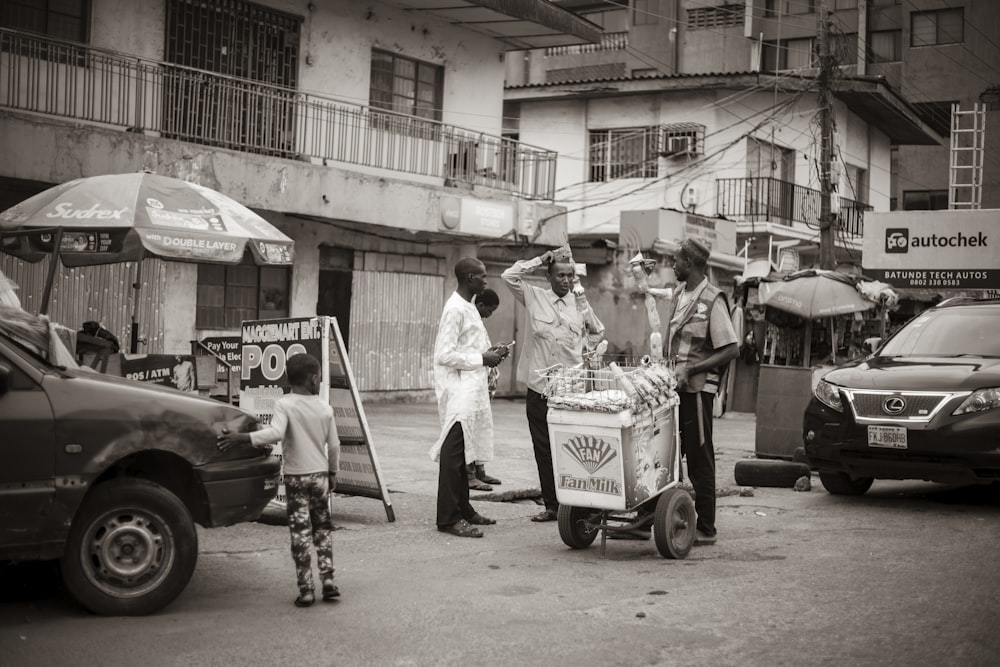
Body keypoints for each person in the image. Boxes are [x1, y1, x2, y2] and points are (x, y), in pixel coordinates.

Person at [217, 352, 340, 607]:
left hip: (296, 479)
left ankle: (306, 590)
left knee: (300, 533)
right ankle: (328, 579)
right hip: (320, 477)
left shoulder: (285, 404)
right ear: (314, 379)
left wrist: (241, 438)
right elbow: (335, 446)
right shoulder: (325, 408)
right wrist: (333, 473)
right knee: (322, 529)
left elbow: (274, 434)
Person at [502, 247, 605, 522]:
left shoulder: (580, 304)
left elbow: (598, 332)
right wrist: (539, 260)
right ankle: (552, 505)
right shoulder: (534, 297)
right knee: (544, 449)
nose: (566, 280)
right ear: (548, 277)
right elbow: (508, 276)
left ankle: (577, 504)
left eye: (570, 276)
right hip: (539, 388)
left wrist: (586, 351)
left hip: (570, 392)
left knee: (571, 448)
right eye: (560, 275)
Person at [664, 239, 739, 546]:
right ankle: (664, 515)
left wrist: (692, 370)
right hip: (675, 389)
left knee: (699, 457)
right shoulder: (680, 294)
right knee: (668, 454)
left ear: (690, 263)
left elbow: (731, 349)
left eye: (676, 260)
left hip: (697, 392)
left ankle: (706, 527)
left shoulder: (713, 300)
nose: (672, 265)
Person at [430, 257, 508, 538]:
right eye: (482, 277)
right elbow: (444, 355)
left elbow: (473, 346)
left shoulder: (469, 307)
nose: (486, 282)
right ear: (469, 278)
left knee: (465, 455)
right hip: (458, 392)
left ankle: (465, 509)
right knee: (453, 458)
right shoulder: (454, 309)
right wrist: (482, 358)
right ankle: (448, 518)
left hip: (473, 390)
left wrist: (493, 353)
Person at [469, 288, 504, 491]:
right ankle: (469, 474)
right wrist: (485, 357)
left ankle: (480, 470)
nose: (491, 315)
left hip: (482, 383)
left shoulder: (479, 322)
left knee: (482, 428)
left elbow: (482, 350)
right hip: (470, 383)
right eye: (490, 310)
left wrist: (495, 351)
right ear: (481, 305)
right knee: (470, 430)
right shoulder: (467, 318)